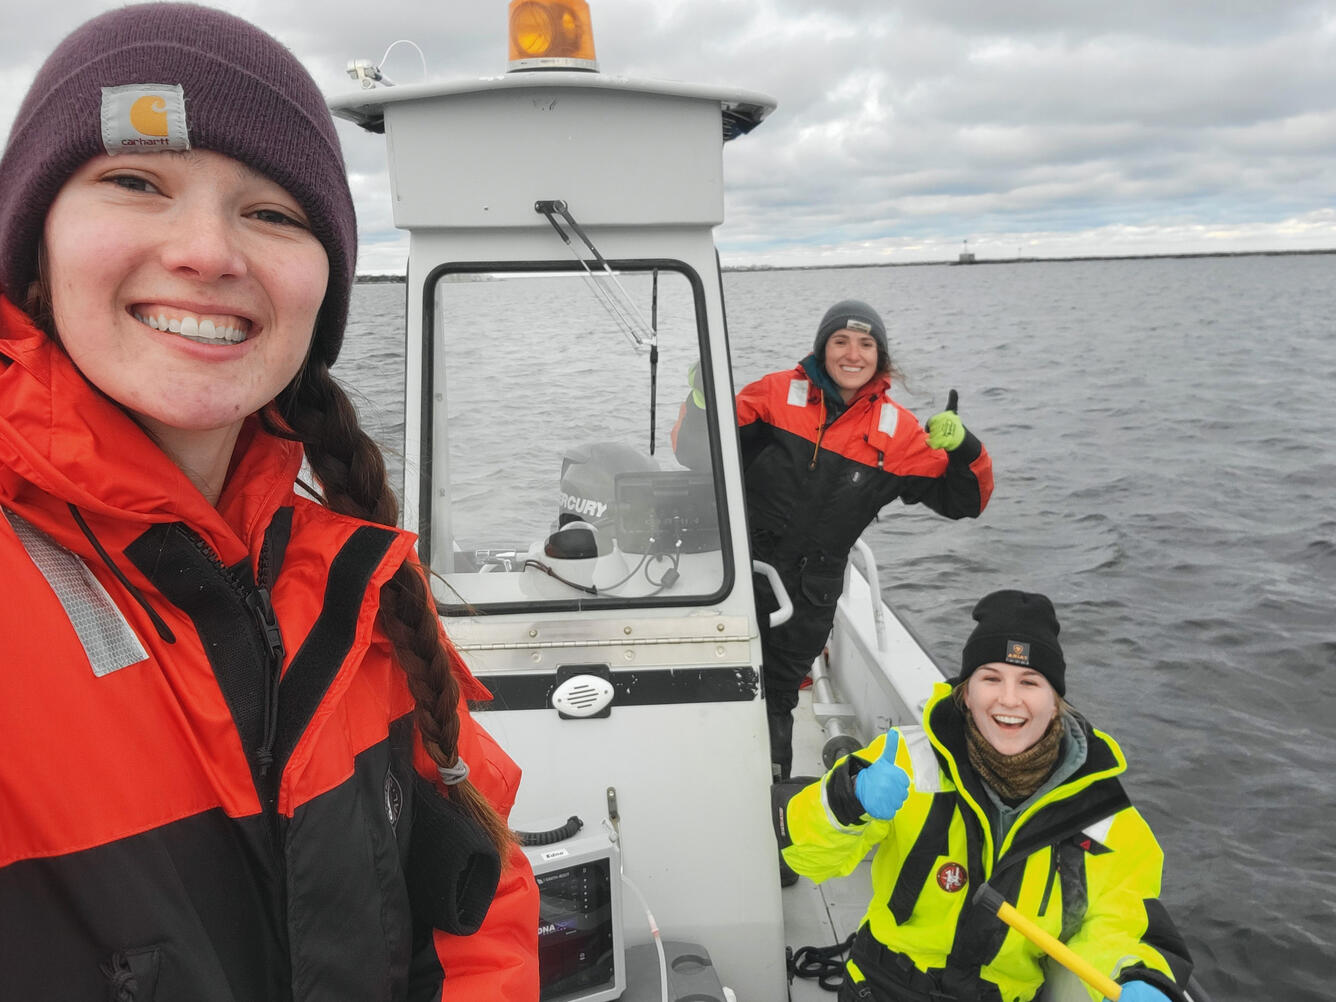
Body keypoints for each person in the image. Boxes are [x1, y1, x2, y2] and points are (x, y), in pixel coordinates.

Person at [0, 5, 538, 999]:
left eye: (272, 213)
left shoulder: (355, 587)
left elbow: (481, 889)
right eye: (135, 182)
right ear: (34, 246)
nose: (207, 251)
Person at [780, 590, 1195, 1002]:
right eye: (991, 678)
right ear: (966, 692)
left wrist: (1138, 975)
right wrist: (850, 799)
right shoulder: (905, 760)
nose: (1009, 700)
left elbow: (1119, 922)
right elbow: (807, 854)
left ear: (1056, 703)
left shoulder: (1102, 814)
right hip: (884, 986)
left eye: (1030, 682)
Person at [674, 299, 994, 779]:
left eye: (866, 344)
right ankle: (695, 777)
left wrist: (965, 447)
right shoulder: (774, 395)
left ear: (880, 357)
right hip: (737, 577)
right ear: (823, 349)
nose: (852, 354)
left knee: (777, 700)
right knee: (715, 683)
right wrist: (702, 401)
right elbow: (696, 454)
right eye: (840, 341)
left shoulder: (899, 433)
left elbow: (963, 501)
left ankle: (766, 792)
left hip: (808, 597)